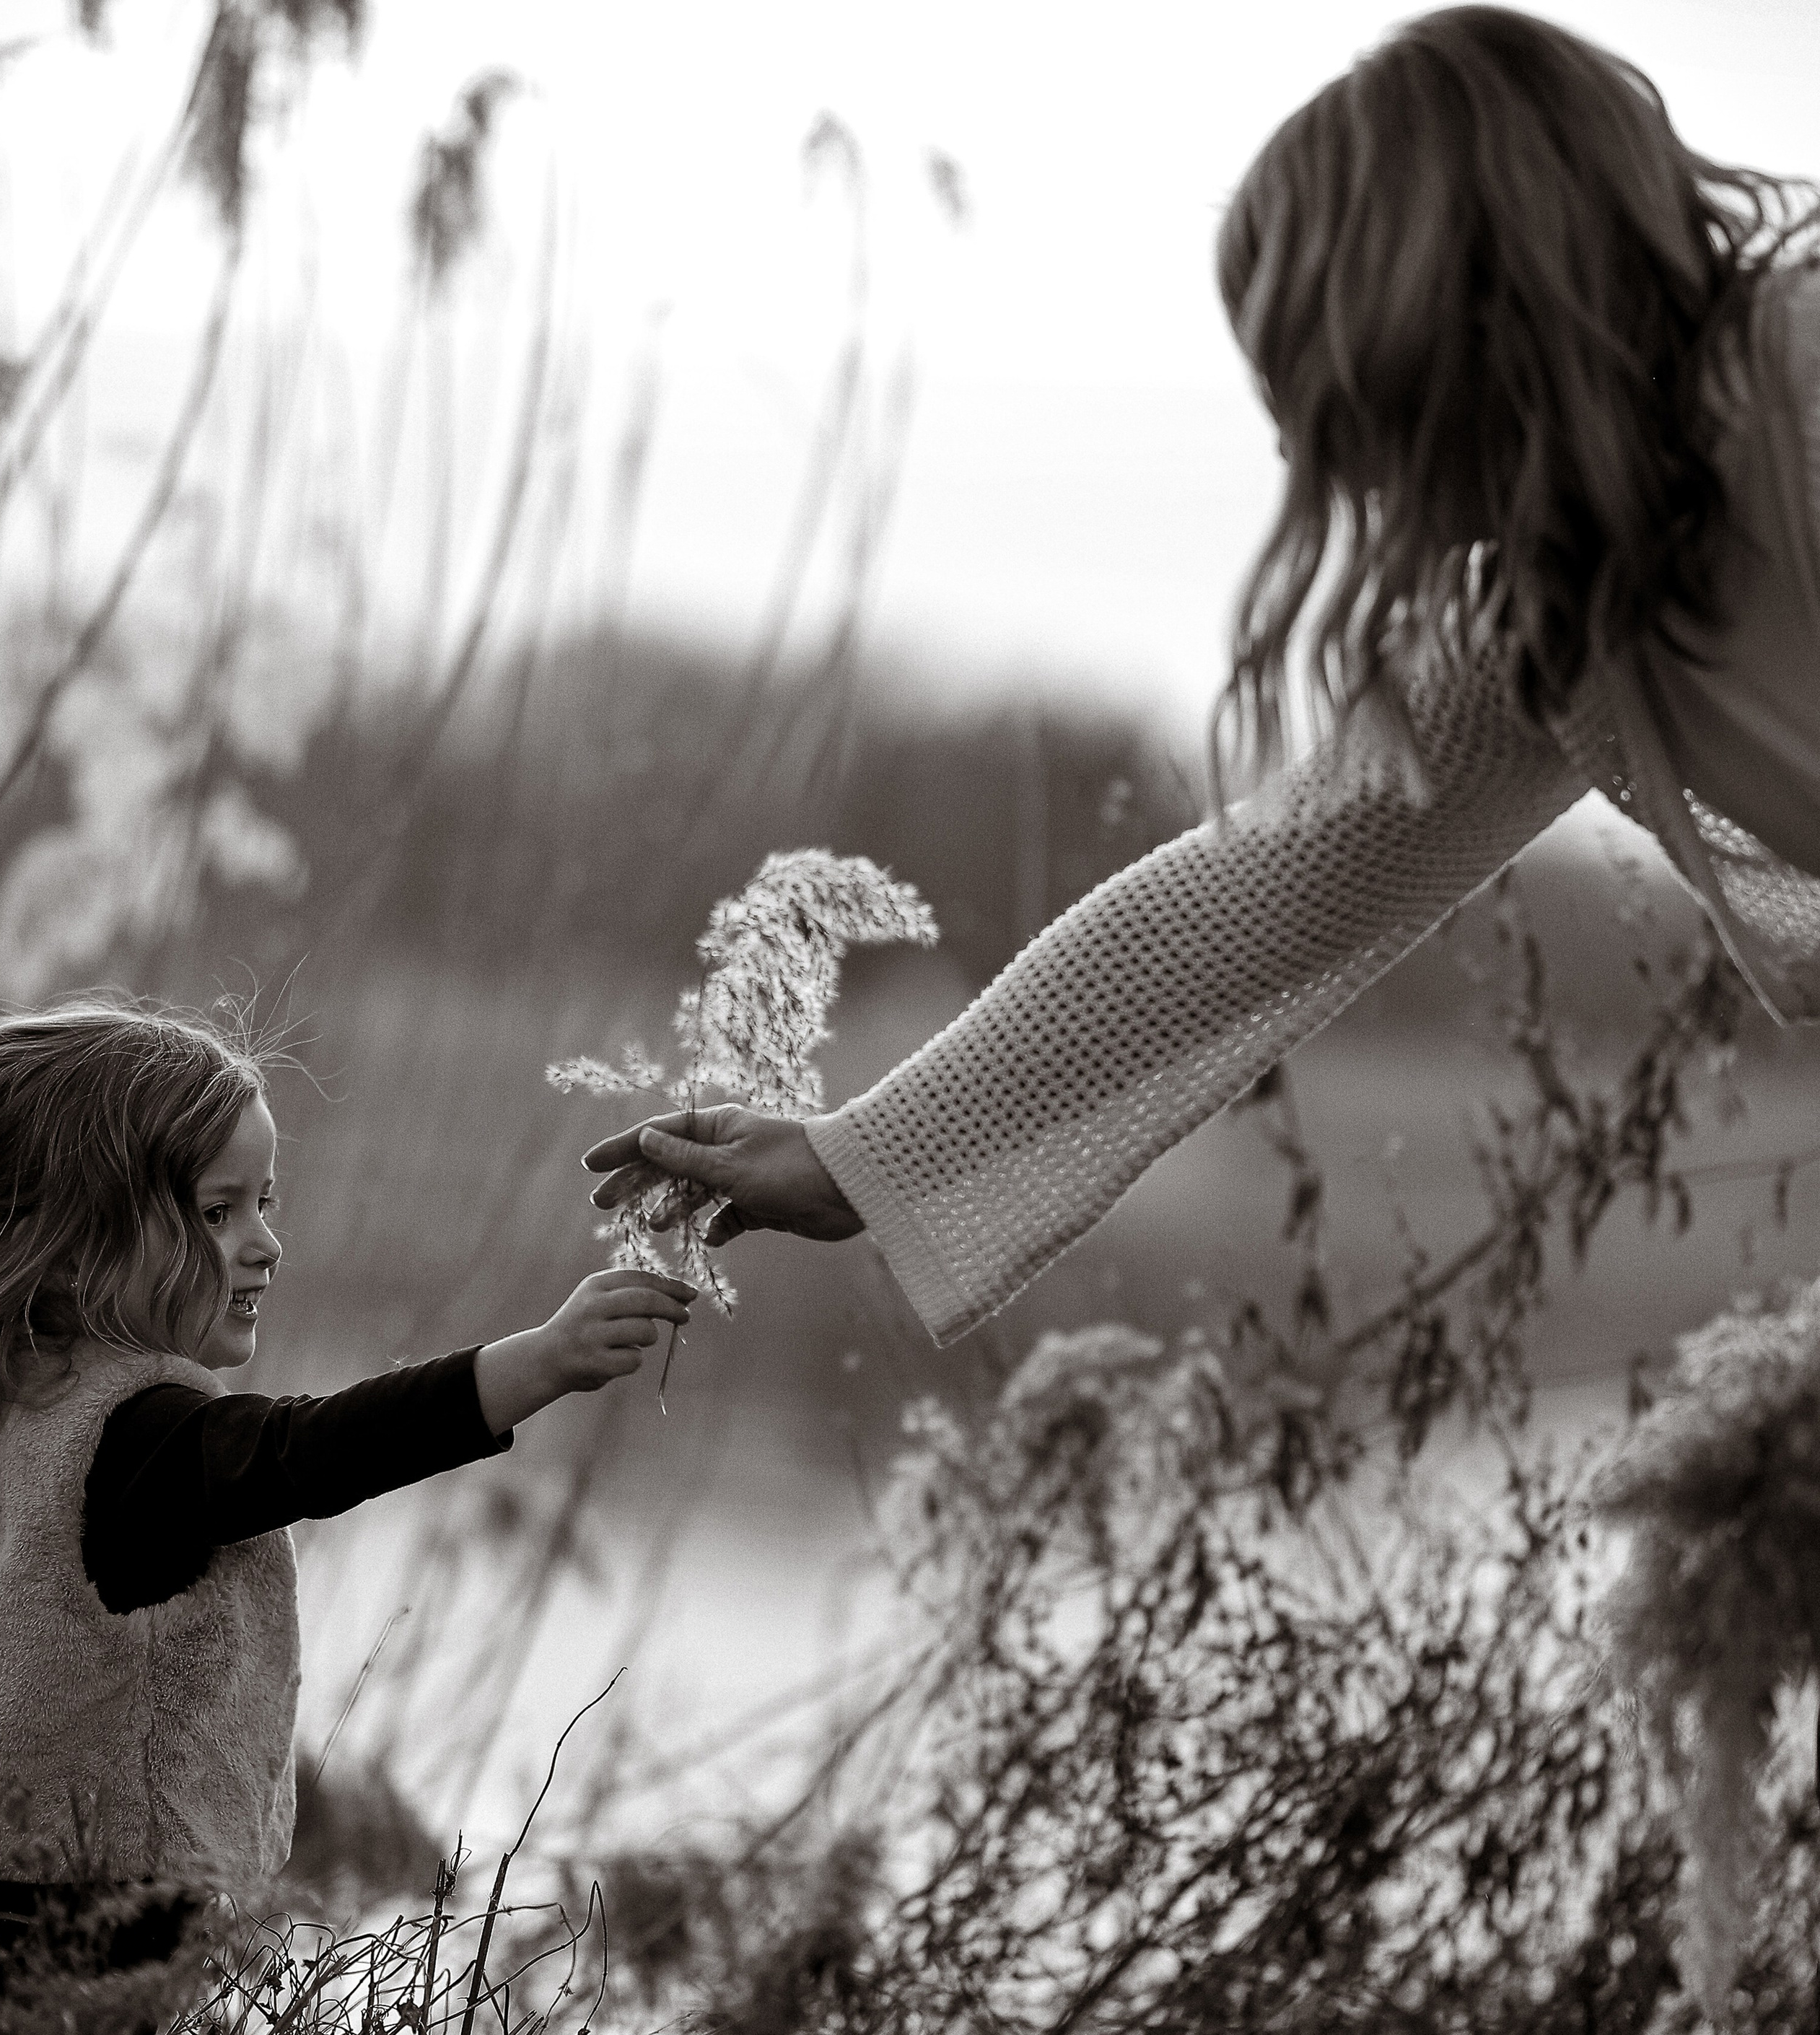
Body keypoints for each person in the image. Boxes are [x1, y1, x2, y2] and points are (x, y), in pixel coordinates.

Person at [587, 5, 1820, 1345]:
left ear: (1451, 322)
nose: (1318, 457)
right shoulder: (1564, 613)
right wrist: (862, 1153)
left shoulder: (1801, 383)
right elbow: (1265, 893)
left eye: (1325, 379)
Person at [0, 997, 694, 2035]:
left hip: (19, 1958)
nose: (267, 1242)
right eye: (221, 1208)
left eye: (271, 1200)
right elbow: (303, 1452)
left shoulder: (14, 1407)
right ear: (84, 1237)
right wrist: (530, 1366)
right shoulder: (134, 1439)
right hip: (45, 1987)